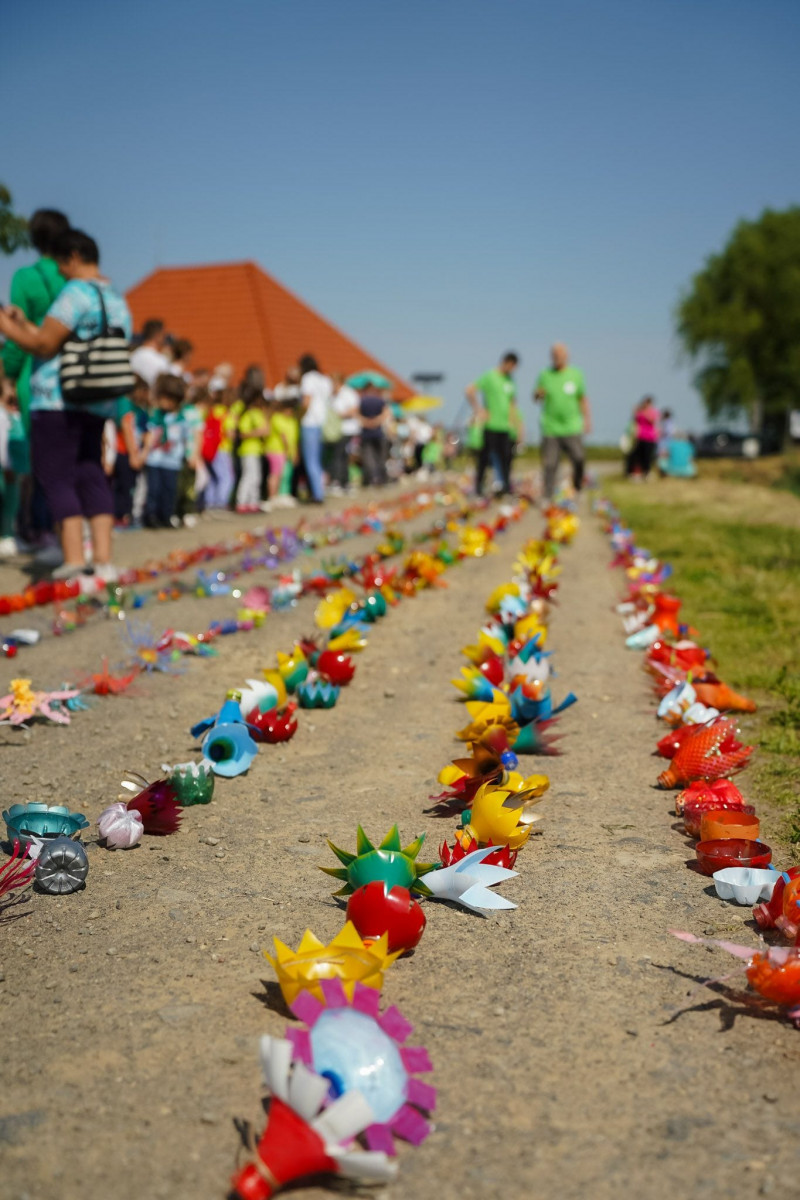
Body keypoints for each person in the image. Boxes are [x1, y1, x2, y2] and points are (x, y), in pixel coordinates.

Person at [0, 228, 132, 581]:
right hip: (97, 400)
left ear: (73, 258)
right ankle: (103, 561)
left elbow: (45, 345)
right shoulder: (116, 298)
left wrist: (6, 327)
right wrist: (25, 323)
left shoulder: (75, 293)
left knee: (56, 474)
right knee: (91, 472)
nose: (59, 271)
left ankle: (74, 559)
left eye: (60, 263)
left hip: (57, 398)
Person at [1, 208, 69, 432]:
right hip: (72, 370)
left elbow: (16, 334)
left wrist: (9, 375)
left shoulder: (25, 277)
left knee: (40, 456)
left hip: (34, 372)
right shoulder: (72, 277)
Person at [534, 343, 591, 501]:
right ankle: (547, 495)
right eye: (554, 355)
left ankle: (578, 487)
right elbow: (536, 397)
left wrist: (587, 420)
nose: (557, 358)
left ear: (566, 356)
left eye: (560, 355)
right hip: (550, 427)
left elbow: (583, 399)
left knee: (579, 458)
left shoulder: (576, 374)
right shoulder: (545, 375)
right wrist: (538, 394)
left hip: (572, 426)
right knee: (550, 464)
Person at [466, 352, 519, 496]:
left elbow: (513, 404)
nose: (512, 370)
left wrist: (518, 426)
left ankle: (507, 487)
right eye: (512, 366)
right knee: (484, 458)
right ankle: (478, 487)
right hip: (490, 426)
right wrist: (479, 409)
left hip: (506, 427)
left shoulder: (510, 381)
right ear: (506, 362)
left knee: (507, 458)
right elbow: (469, 390)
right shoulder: (490, 376)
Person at [142, 373, 189, 527]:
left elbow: (186, 438)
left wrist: (189, 454)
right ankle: (151, 516)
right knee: (153, 489)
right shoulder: (154, 416)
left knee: (169, 490)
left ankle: (166, 516)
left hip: (172, 460)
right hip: (155, 459)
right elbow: (148, 434)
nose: (167, 403)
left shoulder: (181, 419)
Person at [111, 374, 148, 525]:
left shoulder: (129, 404)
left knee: (125, 486)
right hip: (123, 451)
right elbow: (126, 428)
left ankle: (122, 516)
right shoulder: (124, 402)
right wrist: (134, 454)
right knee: (124, 486)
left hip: (127, 451)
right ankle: (120, 517)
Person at [299, 354, 332, 503]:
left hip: (309, 422)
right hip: (323, 423)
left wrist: (297, 415)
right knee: (319, 461)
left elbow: (306, 401)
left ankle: (317, 494)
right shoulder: (325, 380)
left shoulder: (307, 378)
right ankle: (320, 491)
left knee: (311, 461)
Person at [235, 384, 269, 512]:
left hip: (256, 450)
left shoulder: (258, 413)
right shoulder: (248, 414)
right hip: (248, 450)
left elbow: (267, 429)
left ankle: (253, 502)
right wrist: (258, 432)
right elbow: (243, 433)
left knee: (256, 477)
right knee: (248, 477)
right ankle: (242, 502)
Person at [327, 373, 358, 490]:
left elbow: (354, 410)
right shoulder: (332, 396)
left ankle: (339, 481)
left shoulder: (348, 393)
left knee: (339, 455)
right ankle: (342, 481)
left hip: (346, 429)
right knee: (340, 455)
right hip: (334, 430)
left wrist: (338, 415)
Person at [358, 383, 388, 486]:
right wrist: (375, 422)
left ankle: (372, 478)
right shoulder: (380, 401)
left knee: (368, 458)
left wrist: (367, 422)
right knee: (380, 457)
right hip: (379, 432)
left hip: (366, 433)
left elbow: (356, 414)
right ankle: (381, 478)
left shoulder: (361, 401)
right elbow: (386, 414)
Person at [130, 319, 170, 387]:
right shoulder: (161, 360)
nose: (164, 337)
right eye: (163, 334)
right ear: (158, 335)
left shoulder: (133, 356)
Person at [630, 395, 660, 479]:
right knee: (638, 456)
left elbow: (653, 421)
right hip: (640, 436)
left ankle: (647, 472)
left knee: (648, 456)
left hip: (650, 437)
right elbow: (635, 421)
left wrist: (646, 412)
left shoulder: (654, 412)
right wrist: (635, 411)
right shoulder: (639, 412)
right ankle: (638, 473)